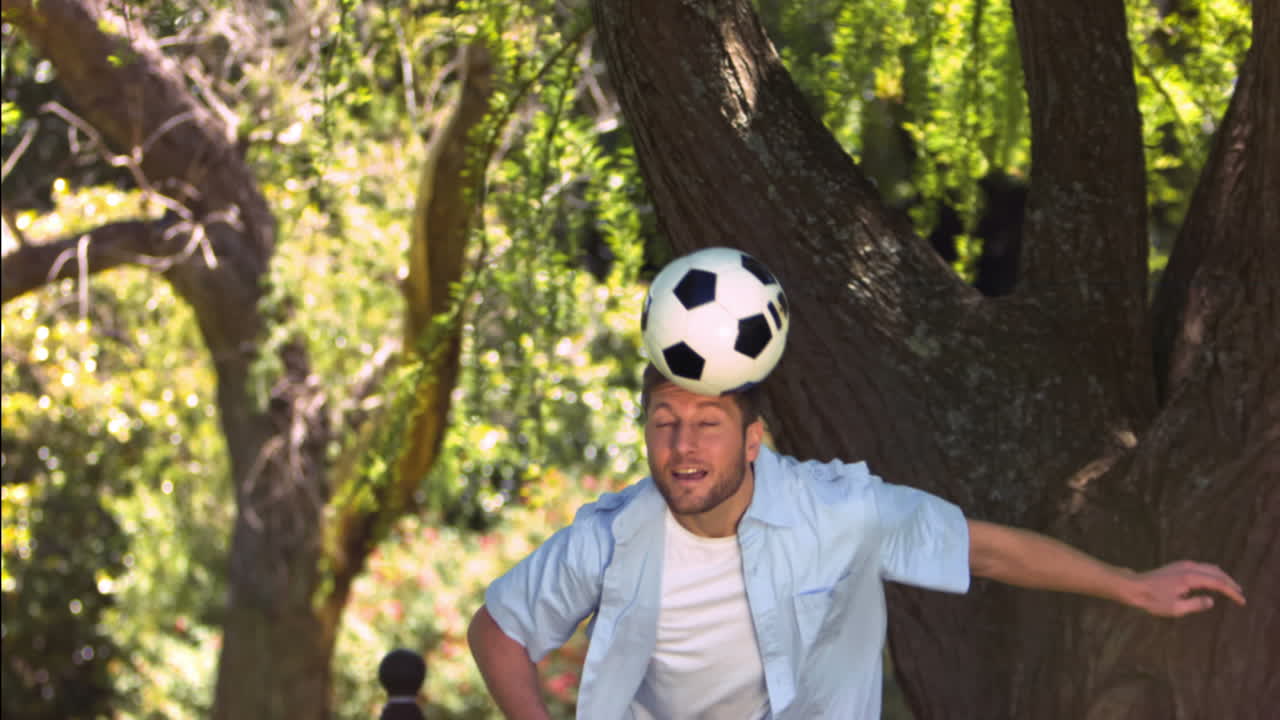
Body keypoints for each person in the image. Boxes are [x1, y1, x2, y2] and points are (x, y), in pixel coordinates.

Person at [467, 364, 1246, 719]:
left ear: (752, 441)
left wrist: (1131, 585)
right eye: (664, 424)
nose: (683, 447)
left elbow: (986, 549)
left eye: (707, 424)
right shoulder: (609, 538)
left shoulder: (834, 511)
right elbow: (499, 627)